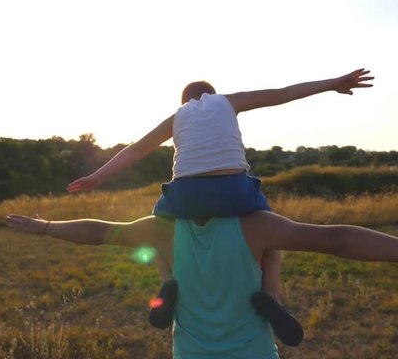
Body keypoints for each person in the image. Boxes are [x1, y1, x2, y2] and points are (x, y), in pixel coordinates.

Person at [66, 68, 375, 343]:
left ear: (184, 100)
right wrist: (333, 83)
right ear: (212, 95)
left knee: (158, 230)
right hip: (234, 191)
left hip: (184, 194)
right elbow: (283, 94)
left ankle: (167, 282)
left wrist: (98, 175)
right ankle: (271, 294)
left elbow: (137, 149)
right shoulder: (230, 101)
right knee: (271, 228)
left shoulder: (176, 117)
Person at [6, 212, 398, 358]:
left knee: (156, 241)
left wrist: (44, 227)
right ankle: (269, 294)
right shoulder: (254, 218)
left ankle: (168, 285)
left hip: (193, 349)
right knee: (274, 235)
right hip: (252, 349)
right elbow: (339, 240)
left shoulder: (164, 222)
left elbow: (100, 231)